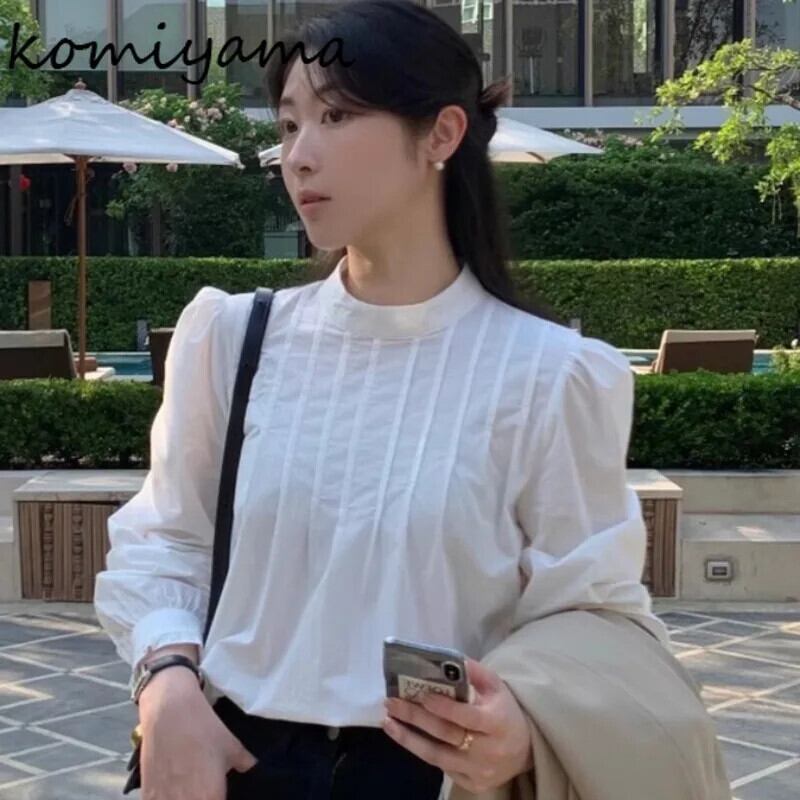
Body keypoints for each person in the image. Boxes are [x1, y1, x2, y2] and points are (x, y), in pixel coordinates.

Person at [93, 2, 680, 798]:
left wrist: (525, 729)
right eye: (289, 123)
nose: (298, 155)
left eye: (335, 116)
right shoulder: (232, 339)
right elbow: (166, 540)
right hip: (229, 759)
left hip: (436, 776)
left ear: (441, 134)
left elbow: (593, 612)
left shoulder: (552, 375)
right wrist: (164, 684)